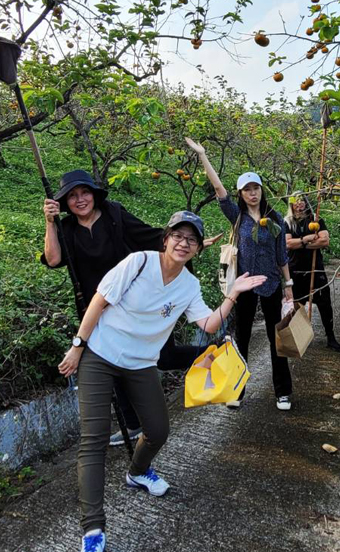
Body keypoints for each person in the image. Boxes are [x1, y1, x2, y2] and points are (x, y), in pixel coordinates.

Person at [58, 210, 266, 552]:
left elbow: (208, 324)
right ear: (166, 239)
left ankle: (137, 472)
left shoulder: (189, 285)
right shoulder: (137, 262)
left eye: (192, 239)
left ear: (198, 248)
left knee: (158, 430)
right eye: (178, 236)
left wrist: (234, 293)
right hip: (100, 355)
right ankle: (92, 528)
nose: (183, 243)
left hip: (141, 365)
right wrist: (78, 346)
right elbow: (98, 301)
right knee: (92, 442)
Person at [42, 169, 221, 445]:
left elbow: (147, 235)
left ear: (94, 194)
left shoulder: (114, 214)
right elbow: (53, 259)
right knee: (112, 364)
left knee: (164, 357)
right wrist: (50, 222)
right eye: (73, 196)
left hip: (137, 303)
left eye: (85, 193)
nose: (80, 200)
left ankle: (212, 353)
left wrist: (187, 246)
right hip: (98, 307)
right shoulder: (66, 229)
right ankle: (133, 424)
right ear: (65, 202)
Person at [191, 142, 295, 411]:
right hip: (245, 284)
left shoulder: (275, 221)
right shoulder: (237, 217)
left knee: (277, 339)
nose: (252, 193)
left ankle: (283, 392)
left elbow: (282, 254)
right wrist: (203, 156)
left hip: (271, 284)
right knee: (241, 339)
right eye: (247, 190)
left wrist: (289, 285)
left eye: (256, 188)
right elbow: (218, 191)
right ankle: (236, 390)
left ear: (262, 190)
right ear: (241, 193)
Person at [284, 192, 340, 352]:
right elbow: (288, 244)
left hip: (315, 268)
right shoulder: (288, 222)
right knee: (297, 306)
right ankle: (299, 337)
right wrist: (308, 240)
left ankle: (331, 337)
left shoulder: (316, 220)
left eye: (302, 200)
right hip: (296, 269)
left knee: (325, 303)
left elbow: (324, 240)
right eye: (296, 201)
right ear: (291, 204)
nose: (299, 203)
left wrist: (302, 243)